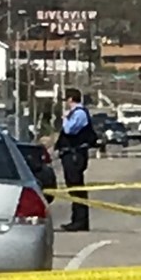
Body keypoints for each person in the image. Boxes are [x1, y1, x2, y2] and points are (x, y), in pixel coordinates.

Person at [55, 88, 97, 232]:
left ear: (71, 99)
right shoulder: (76, 113)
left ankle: (80, 221)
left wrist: (65, 119)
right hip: (71, 155)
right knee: (73, 188)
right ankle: (77, 220)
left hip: (75, 155)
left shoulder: (79, 113)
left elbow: (69, 130)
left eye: (66, 99)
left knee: (76, 187)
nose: (65, 103)